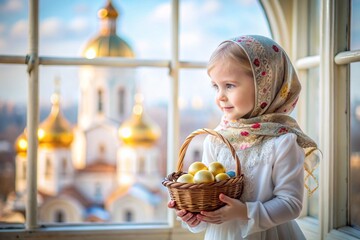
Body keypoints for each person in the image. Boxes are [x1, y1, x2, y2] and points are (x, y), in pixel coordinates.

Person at [168, 35, 319, 240]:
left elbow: (291, 204)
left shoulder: (282, 142)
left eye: (229, 85)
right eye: (216, 86)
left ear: (264, 86)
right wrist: (196, 216)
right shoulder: (216, 139)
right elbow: (210, 197)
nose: (220, 96)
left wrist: (244, 212)